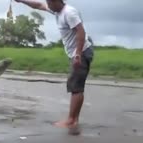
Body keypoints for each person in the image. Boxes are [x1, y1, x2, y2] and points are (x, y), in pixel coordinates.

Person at [14, 0, 94, 128]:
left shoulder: (69, 13)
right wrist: (21, 0)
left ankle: (71, 120)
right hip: (77, 51)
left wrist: (78, 54)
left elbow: (81, 32)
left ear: (57, 1)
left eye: (49, 2)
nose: (48, 5)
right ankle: (74, 120)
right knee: (76, 84)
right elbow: (39, 5)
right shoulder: (57, 10)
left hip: (82, 51)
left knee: (75, 85)